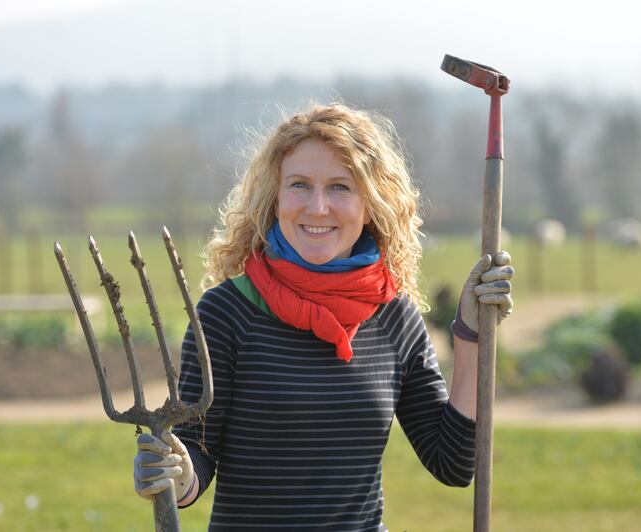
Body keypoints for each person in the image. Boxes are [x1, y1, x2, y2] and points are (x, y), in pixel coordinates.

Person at [132, 103, 514, 530]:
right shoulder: (227, 312)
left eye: (339, 187)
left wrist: (471, 337)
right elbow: (196, 453)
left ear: (371, 204)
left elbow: (453, 463)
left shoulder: (394, 317)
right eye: (299, 185)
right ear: (274, 199)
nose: (317, 207)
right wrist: (179, 473)